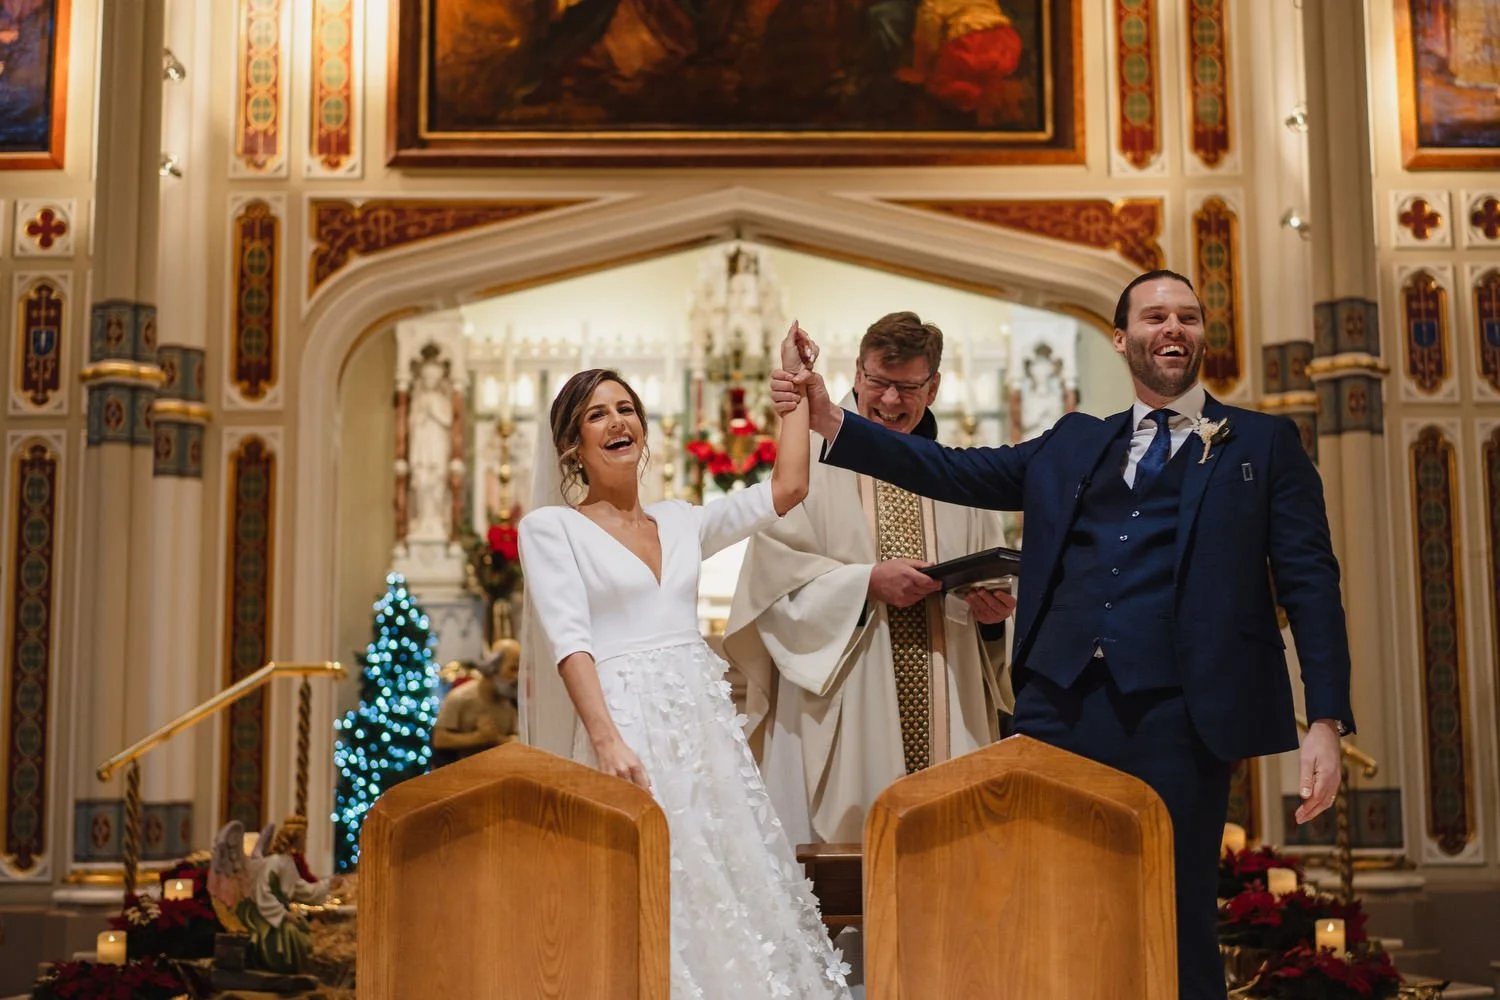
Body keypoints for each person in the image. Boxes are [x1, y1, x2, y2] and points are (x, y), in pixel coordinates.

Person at [770, 271, 1354, 1000]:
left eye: (1188, 317)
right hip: (1057, 709)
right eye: (1154, 317)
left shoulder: (1264, 444)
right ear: (1122, 339)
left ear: (1202, 336)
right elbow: (952, 469)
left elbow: (1309, 580)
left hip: (1182, 715)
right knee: (1046, 903)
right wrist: (830, 419)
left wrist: (1325, 718)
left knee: (1174, 918)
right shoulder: (1075, 442)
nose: (1172, 328)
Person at [517, 327, 852, 1000]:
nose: (617, 422)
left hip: (701, 727)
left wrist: (793, 394)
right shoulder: (551, 528)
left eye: (626, 408)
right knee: (650, 877)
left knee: (725, 873)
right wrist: (606, 738)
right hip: (626, 724)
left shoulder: (681, 519)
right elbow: (569, 640)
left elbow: (786, 489)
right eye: (596, 415)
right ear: (572, 447)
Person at [724, 311, 1017, 853]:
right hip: (848, 698)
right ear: (856, 375)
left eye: (907, 387)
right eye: (878, 383)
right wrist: (863, 585)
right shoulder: (807, 464)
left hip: (948, 686)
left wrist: (995, 618)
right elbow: (770, 584)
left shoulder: (962, 474)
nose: (888, 401)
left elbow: (997, 592)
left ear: (933, 387)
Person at [430, 640, 520, 769]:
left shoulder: (510, 703)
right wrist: (477, 738)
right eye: (512, 668)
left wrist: (496, 738)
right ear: (493, 667)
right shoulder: (460, 698)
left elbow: (517, 739)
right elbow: (439, 739)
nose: (516, 677)